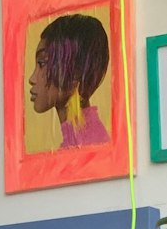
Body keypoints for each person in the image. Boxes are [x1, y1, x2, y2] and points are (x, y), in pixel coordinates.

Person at [28, 13, 110, 149]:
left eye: (42, 63)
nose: (32, 79)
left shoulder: (88, 145)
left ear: (76, 72)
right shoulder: (79, 140)